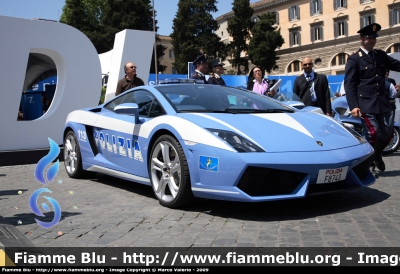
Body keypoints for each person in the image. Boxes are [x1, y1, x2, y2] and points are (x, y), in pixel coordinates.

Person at [344, 23, 400, 172]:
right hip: (366, 103)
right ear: (362, 39)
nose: (373, 40)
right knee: (373, 132)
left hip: (383, 102)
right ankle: (366, 161)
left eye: (374, 37)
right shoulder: (354, 59)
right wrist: (353, 105)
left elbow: (397, 65)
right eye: (370, 38)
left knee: (388, 134)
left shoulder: (380, 55)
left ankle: (377, 154)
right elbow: (349, 84)